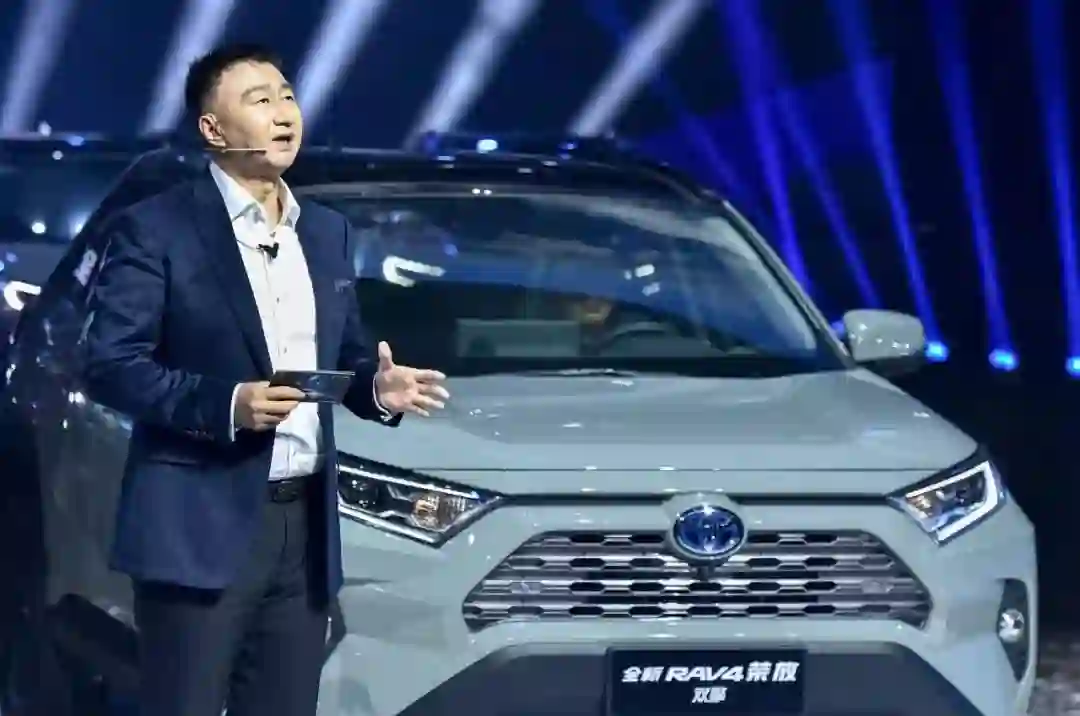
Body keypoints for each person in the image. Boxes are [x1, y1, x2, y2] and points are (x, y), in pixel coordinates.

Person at [81, 43, 450, 716]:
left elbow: (344, 356)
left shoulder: (327, 233)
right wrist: (227, 404)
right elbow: (110, 364)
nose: (283, 114)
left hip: (302, 528)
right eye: (259, 100)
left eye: (287, 96)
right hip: (197, 528)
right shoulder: (157, 228)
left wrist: (374, 390)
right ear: (213, 129)